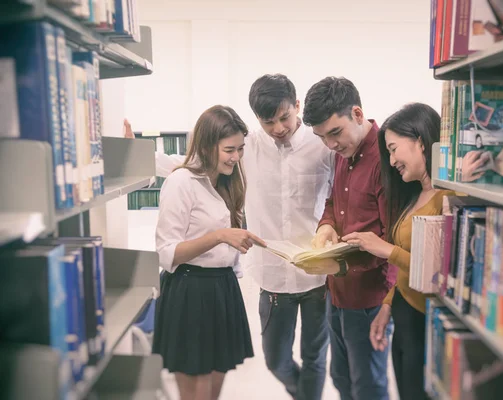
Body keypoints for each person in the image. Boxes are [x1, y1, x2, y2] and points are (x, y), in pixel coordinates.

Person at [132, 74, 335, 400]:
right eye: (268, 122)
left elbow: (339, 193)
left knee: (315, 357)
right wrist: (137, 153)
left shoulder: (321, 145)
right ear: (257, 119)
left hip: (317, 275)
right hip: (272, 276)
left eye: (284, 117)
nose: (278, 128)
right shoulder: (247, 148)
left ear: (297, 107)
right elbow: (190, 165)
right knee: (276, 360)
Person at [342, 103, 456, 400]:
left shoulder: (448, 198)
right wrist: (388, 306)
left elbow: (435, 273)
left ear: (420, 141)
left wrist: (383, 249)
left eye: (394, 149)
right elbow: (409, 263)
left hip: (423, 322)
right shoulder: (417, 195)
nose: (391, 161)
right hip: (404, 315)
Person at [153, 105, 266, 400]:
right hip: (190, 291)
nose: (236, 157)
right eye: (229, 149)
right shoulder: (181, 183)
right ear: (206, 145)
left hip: (223, 288)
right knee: (198, 392)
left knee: (214, 390)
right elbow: (167, 252)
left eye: (240, 149)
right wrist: (218, 237)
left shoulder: (228, 181)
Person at [297, 77, 396, 400]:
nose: (330, 145)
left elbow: (394, 239)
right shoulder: (343, 153)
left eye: (335, 133)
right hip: (337, 294)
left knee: (367, 387)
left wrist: (385, 305)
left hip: (370, 299)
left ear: (357, 113)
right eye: (321, 137)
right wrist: (326, 226)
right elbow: (332, 202)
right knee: (341, 380)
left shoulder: (387, 159)